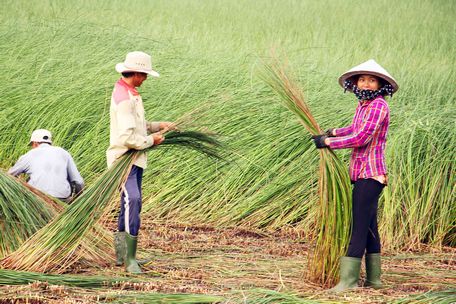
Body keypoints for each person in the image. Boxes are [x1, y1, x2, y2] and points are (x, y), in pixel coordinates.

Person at [312, 59, 398, 291]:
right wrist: (333, 132)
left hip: (371, 175)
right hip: (361, 173)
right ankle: (374, 280)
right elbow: (354, 128)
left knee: (358, 227)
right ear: (355, 83)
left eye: (372, 80)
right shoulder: (363, 105)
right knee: (370, 227)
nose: (366, 84)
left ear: (380, 84)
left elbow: (361, 138)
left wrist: (328, 142)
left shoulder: (379, 105)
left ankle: (348, 282)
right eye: (362, 79)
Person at [107, 51, 174, 273]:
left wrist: (158, 126)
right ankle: (129, 260)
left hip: (135, 159)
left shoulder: (131, 93)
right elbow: (126, 138)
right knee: (132, 200)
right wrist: (151, 140)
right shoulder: (124, 98)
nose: (145, 78)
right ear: (135, 73)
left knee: (129, 204)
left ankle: (123, 255)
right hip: (124, 161)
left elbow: (136, 126)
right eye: (143, 74)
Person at [8, 129, 84, 203]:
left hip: (38, 198)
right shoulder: (63, 153)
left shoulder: (29, 155)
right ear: (50, 142)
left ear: (35, 143)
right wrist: (79, 198)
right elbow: (78, 181)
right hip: (62, 198)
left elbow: (9, 175)